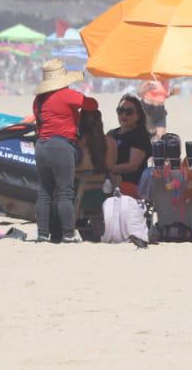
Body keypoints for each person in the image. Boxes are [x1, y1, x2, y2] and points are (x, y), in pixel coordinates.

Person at [33, 59, 98, 243]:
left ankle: (42, 234)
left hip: (41, 145)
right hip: (60, 145)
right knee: (65, 192)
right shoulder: (65, 94)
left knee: (44, 191)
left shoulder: (39, 100)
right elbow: (92, 104)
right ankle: (68, 234)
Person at [105, 93, 151, 197]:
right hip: (108, 181)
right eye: (120, 111)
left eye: (129, 112)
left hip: (129, 184)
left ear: (138, 116)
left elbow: (132, 166)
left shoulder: (139, 136)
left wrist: (108, 170)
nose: (124, 115)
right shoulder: (111, 133)